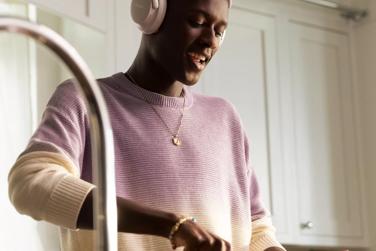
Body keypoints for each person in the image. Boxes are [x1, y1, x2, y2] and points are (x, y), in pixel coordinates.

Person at [8, 0, 286, 250]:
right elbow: (31, 182)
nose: (210, 41)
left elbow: (257, 230)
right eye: (198, 22)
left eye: (219, 30)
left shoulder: (225, 118)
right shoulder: (85, 99)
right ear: (151, 12)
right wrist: (171, 225)